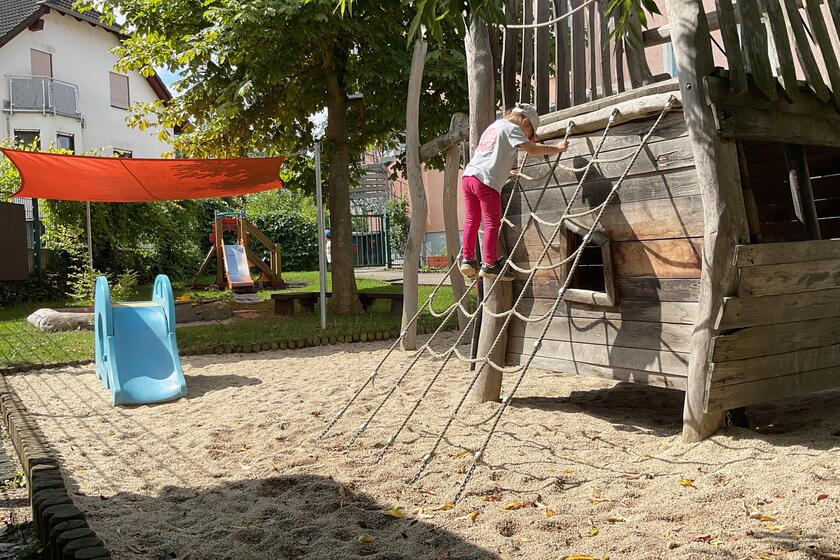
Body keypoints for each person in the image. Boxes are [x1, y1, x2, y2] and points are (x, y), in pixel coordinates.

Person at [459, 103, 569, 281]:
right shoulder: (512, 128)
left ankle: (467, 259)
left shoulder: (494, 126)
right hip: (486, 183)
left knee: (472, 219)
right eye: (530, 133)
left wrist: (505, 172)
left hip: (469, 177)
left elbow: (491, 155)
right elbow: (532, 150)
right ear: (525, 121)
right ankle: (490, 264)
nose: (528, 137)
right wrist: (557, 148)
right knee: (491, 223)